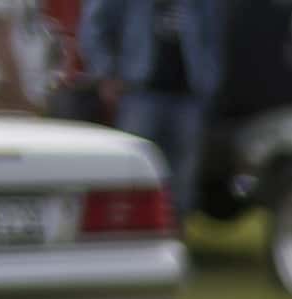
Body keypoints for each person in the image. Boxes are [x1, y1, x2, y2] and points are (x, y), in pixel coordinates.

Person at [78, 0, 225, 205]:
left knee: (183, 179)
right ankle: (130, 229)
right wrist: (106, 73)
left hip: (189, 97)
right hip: (139, 94)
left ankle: (175, 233)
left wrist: (209, 81)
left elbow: (214, 35)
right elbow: (94, 27)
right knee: (133, 170)